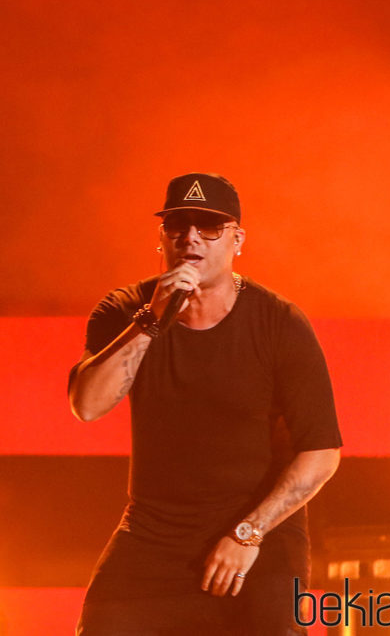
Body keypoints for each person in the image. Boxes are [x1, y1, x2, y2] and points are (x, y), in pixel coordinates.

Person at [68, 173, 341, 635]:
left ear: (237, 239)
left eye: (209, 226)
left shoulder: (279, 323)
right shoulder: (126, 310)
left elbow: (322, 452)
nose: (191, 236)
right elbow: (88, 406)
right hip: (153, 533)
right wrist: (152, 320)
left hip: (258, 532)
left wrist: (248, 533)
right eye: (178, 224)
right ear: (162, 238)